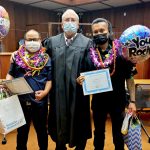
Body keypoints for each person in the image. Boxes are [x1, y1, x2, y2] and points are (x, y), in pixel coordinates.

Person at [77, 18, 137, 150]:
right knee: (98, 134)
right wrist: (80, 80)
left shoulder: (122, 52)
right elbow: (83, 75)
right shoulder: (88, 54)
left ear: (109, 31)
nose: (99, 34)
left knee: (118, 134)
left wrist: (132, 101)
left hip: (118, 101)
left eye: (102, 30)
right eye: (96, 32)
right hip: (98, 102)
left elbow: (130, 78)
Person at [43, 9, 92, 150]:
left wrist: (86, 78)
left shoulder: (88, 43)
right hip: (58, 93)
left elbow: (93, 67)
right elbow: (37, 56)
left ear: (78, 24)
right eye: (67, 20)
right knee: (58, 123)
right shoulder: (51, 42)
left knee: (79, 122)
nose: (70, 22)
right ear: (62, 24)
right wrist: (18, 52)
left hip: (79, 94)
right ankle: (60, 145)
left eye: (73, 20)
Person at [6, 29, 52, 150]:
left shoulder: (46, 58)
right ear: (24, 42)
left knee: (41, 130)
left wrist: (45, 92)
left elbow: (49, 79)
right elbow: (10, 74)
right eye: (29, 39)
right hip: (21, 101)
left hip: (40, 102)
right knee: (22, 131)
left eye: (35, 39)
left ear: (40, 41)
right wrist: (6, 84)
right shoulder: (17, 56)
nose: (32, 42)